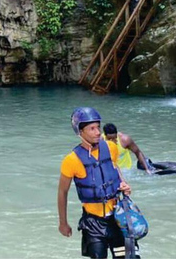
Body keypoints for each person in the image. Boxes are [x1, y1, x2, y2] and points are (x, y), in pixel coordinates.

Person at [58, 107, 137, 259]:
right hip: (93, 223)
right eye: (92, 128)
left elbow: (115, 169)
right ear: (80, 132)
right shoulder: (71, 160)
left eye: (98, 127)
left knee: (128, 257)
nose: (97, 132)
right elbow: (62, 192)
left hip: (118, 219)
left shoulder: (111, 148)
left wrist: (124, 184)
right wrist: (63, 223)